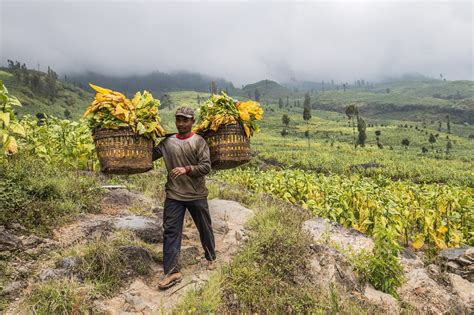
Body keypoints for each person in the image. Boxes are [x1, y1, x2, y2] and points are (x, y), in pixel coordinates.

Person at [152, 106, 216, 290]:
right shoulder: (167, 142)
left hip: (196, 194)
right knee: (171, 231)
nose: (181, 123)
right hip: (174, 194)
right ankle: (172, 272)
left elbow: (205, 167)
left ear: (192, 121)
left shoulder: (199, 142)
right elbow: (150, 156)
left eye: (185, 120)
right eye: (179, 119)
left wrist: (186, 169)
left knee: (204, 227)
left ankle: (211, 257)